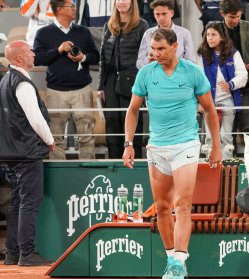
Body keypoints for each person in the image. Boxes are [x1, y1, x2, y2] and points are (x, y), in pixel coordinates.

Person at [123, 28, 222, 278]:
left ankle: (180, 258)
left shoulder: (192, 72)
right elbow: (133, 109)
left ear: (175, 46)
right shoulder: (146, 74)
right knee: (162, 207)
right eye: (152, 50)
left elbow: (210, 109)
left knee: (182, 205)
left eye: (161, 49)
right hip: (156, 147)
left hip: (186, 145)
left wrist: (216, 146)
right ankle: (172, 260)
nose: (155, 54)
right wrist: (128, 143)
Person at [0, 40, 55, 266]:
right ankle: (27, 253)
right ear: (20, 58)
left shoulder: (5, 80)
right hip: (27, 152)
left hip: (10, 152)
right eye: (30, 51)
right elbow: (35, 119)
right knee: (29, 203)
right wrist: (50, 140)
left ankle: (12, 252)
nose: (34, 54)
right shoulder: (22, 83)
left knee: (16, 203)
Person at [34, 0, 100, 159]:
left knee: (86, 136)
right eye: (71, 6)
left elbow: (96, 57)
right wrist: (58, 50)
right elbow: (37, 59)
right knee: (54, 138)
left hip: (82, 91)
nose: (74, 8)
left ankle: (88, 175)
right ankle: (60, 177)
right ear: (59, 9)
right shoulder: (43, 33)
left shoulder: (83, 32)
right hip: (56, 92)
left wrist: (83, 58)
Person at [98, 0, 148, 159]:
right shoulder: (109, 25)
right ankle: (114, 164)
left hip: (132, 80)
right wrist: (101, 86)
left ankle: (135, 161)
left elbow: (146, 57)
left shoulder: (142, 25)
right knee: (112, 125)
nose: (121, 2)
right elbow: (103, 58)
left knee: (132, 123)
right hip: (110, 82)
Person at [197, 21, 247, 159]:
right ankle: (210, 161)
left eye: (214, 34)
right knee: (209, 135)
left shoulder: (234, 53)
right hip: (208, 101)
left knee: (226, 135)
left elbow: (243, 75)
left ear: (223, 37)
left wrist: (231, 84)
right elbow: (198, 79)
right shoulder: (202, 54)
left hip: (228, 100)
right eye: (208, 35)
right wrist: (199, 101)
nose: (210, 38)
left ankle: (226, 162)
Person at [219, 0, 249, 138]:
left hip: (248, 86)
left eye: (238, 16)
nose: (236, 20)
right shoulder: (213, 30)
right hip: (223, 88)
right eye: (232, 17)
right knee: (226, 132)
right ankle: (226, 159)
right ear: (223, 14)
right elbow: (206, 55)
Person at [136, 0, 196, 69]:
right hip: (155, 77)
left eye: (164, 14)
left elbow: (192, 62)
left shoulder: (184, 33)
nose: (161, 18)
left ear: (172, 13)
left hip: (178, 76)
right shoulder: (148, 34)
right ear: (154, 14)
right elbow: (139, 64)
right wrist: (149, 59)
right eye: (157, 14)